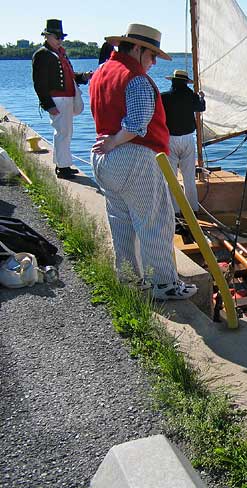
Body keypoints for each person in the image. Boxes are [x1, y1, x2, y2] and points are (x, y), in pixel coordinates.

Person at [89, 23, 197, 301]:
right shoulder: (135, 78)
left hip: (103, 159)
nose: (152, 64)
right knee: (155, 221)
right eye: (151, 56)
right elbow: (137, 123)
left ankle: (128, 278)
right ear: (137, 49)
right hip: (132, 155)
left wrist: (110, 142)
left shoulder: (101, 72)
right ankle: (164, 284)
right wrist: (115, 141)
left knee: (121, 221)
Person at [32, 19, 92, 179]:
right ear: (47, 36)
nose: (60, 40)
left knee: (66, 132)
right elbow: (39, 82)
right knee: (62, 132)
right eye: (57, 37)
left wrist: (83, 77)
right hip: (56, 99)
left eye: (61, 37)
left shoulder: (61, 53)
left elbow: (69, 77)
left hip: (67, 97)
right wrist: (48, 104)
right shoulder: (42, 55)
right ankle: (62, 167)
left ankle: (63, 163)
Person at [160, 69, 206, 215]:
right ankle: (193, 209)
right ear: (186, 82)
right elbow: (201, 107)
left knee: (171, 178)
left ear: (173, 81)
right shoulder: (191, 96)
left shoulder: (164, 97)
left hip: (170, 139)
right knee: (189, 176)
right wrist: (201, 97)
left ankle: (175, 211)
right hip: (188, 138)